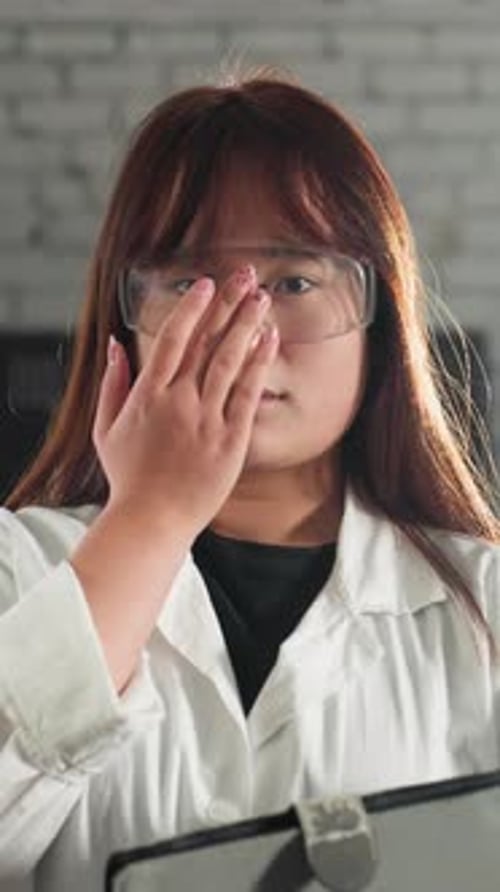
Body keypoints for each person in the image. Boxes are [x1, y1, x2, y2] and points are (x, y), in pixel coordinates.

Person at [1, 64, 499, 890]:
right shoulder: (21, 565)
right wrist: (152, 515)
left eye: (295, 282)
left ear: (380, 327)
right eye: (191, 284)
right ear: (124, 324)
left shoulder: (481, 605)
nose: (245, 331)